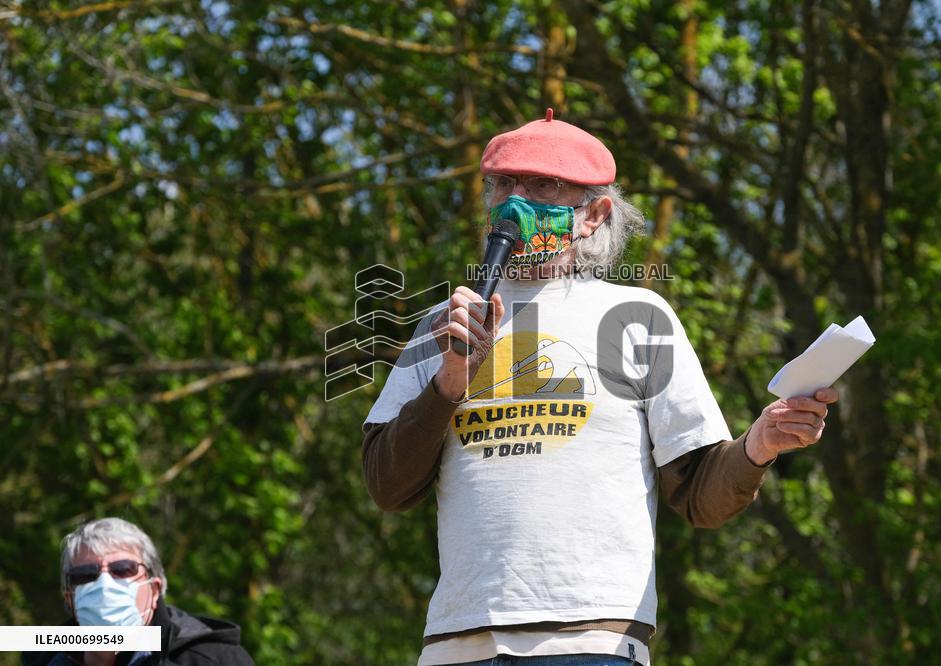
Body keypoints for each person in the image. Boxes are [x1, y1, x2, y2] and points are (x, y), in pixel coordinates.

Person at [362, 108, 839, 665]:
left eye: (544, 185)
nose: (516, 201)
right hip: (458, 642)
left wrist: (760, 444)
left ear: (593, 215)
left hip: (593, 641)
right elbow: (387, 486)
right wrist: (449, 380)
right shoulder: (445, 323)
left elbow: (701, 496)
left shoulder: (639, 316)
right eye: (504, 184)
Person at [23, 517, 254, 666]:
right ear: (69, 597)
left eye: (123, 570)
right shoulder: (41, 658)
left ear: (154, 589)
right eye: (85, 575)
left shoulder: (215, 659)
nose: (105, 585)